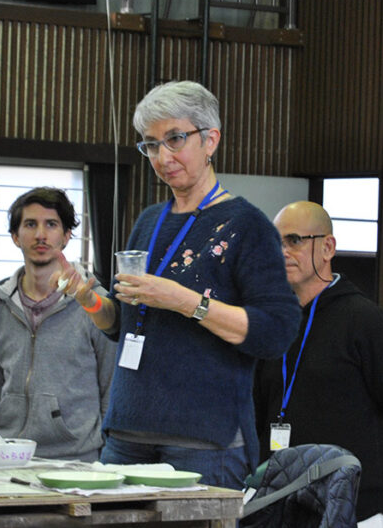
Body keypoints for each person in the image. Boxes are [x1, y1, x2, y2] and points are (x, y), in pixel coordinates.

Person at [64, 80, 301, 489]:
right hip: (127, 429)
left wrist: (188, 302)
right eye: (151, 145)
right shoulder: (149, 220)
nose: (162, 156)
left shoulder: (247, 225)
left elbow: (276, 332)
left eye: (175, 139)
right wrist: (91, 300)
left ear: (211, 140)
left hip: (204, 439)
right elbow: (125, 324)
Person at [254, 201, 383, 526]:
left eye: (294, 240)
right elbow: (259, 411)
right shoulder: (275, 321)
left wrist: (369, 473)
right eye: (274, 242)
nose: (282, 252)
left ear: (328, 247)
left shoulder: (365, 320)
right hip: (284, 505)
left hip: (357, 506)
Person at [0, 187, 115, 461]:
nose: (41, 234)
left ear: (66, 236)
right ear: (16, 237)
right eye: (30, 224)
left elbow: (110, 386)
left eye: (51, 224)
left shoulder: (95, 304)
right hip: (9, 453)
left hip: (77, 457)